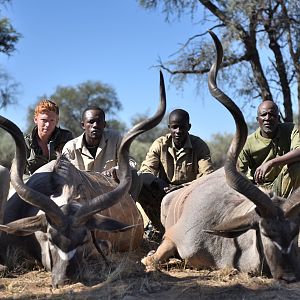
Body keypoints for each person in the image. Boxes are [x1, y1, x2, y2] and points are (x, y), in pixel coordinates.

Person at [138, 108, 214, 232]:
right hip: (163, 193)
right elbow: (145, 171)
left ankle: (196, 229)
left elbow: (207, 176)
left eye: (182, 127)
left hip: (190, 194)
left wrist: (182, 188)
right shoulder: (160, 144)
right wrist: (159, 183)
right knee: (140, 185)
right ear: (169, 127)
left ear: (189, 127)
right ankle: (159, 228)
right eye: (175, 127)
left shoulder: (199, 146)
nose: (178, 131)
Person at [62, 106, 140, 199]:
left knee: (135, 175)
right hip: (82, 195)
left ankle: (130, 209)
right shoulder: (70, 147)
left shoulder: (116, 139)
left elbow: (131, 163)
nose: (95, 125)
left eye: (99, 122)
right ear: (83, 125)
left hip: (111, 192)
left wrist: (116, 169)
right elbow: (63, 176)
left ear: (104, 125)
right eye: (91, 122)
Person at [238, 100, 300, 198]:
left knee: (297, 166)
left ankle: (292, 205)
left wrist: (270, 163)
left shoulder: (290, 129)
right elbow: (238, 173)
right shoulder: (248, 143)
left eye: (272, 115)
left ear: (278, 118)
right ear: (257, 119)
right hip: (262, 191)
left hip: (286, 183)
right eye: (263, 115)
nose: (267, 118)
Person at [24, 99, 73, 176]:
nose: (47, 124)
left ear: (57, 121)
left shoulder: (66, 137)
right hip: (33, 184)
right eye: (44, 120)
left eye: (52, 120)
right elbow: (19, 172)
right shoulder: (25, 142)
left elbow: (74, 166)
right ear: (35, 119)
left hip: (61, 182)